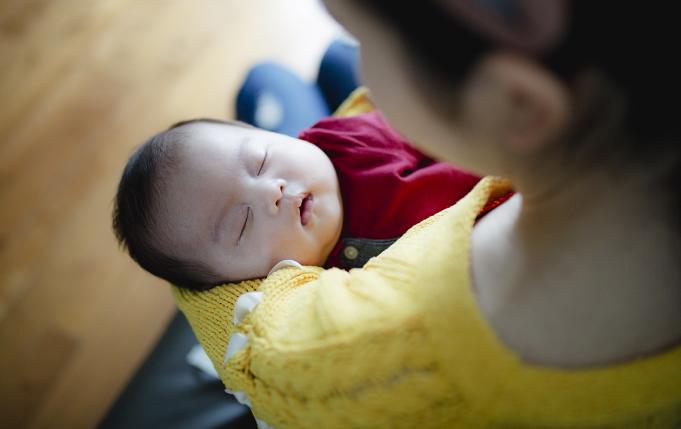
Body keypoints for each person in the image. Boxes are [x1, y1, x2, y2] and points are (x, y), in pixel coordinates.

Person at [173, 2, 681, 427]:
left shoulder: (365, 354)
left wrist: (223, 237)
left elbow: (232, 320)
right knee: (331, 65)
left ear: (520, 103)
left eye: (365, 42)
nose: (365, 70)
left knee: (268, 83)